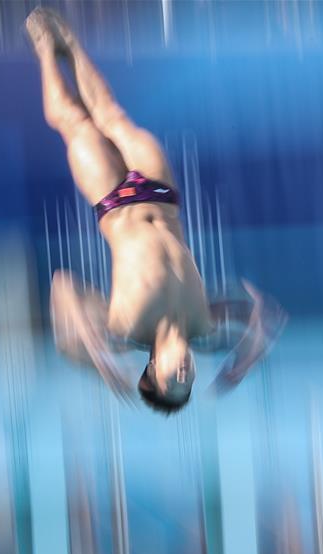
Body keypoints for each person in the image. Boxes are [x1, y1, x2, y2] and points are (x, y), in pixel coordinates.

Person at [26, 7, 285, 412]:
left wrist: (94, 353)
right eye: (190, 380)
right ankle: (70, 42)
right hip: (161, 192)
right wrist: (247, 357)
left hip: (113, 200)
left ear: (152, 369)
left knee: (73, 121)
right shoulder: (203, 322)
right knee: (112, 114)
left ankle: (44, 48)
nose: (184, 372)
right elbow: (263, 315)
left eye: (172, 379)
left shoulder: (124, 326)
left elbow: (63, 285)